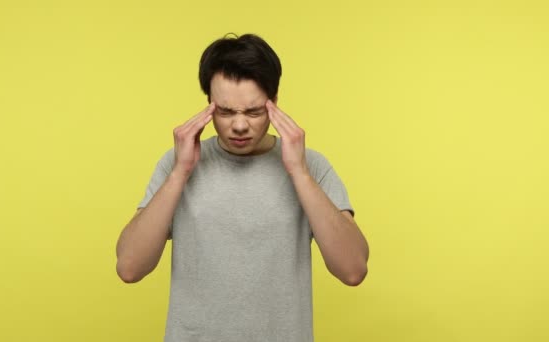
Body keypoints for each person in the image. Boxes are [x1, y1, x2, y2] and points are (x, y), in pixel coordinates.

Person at [115, 33, 369, 342]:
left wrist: (298, 172)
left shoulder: (311, 165)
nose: (238, 125)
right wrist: (180, 172)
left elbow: (353, 270)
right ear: (208, 104)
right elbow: (129, 267)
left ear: (274, 104)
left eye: (253, 111)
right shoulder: (177, 163)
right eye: (224, 111)